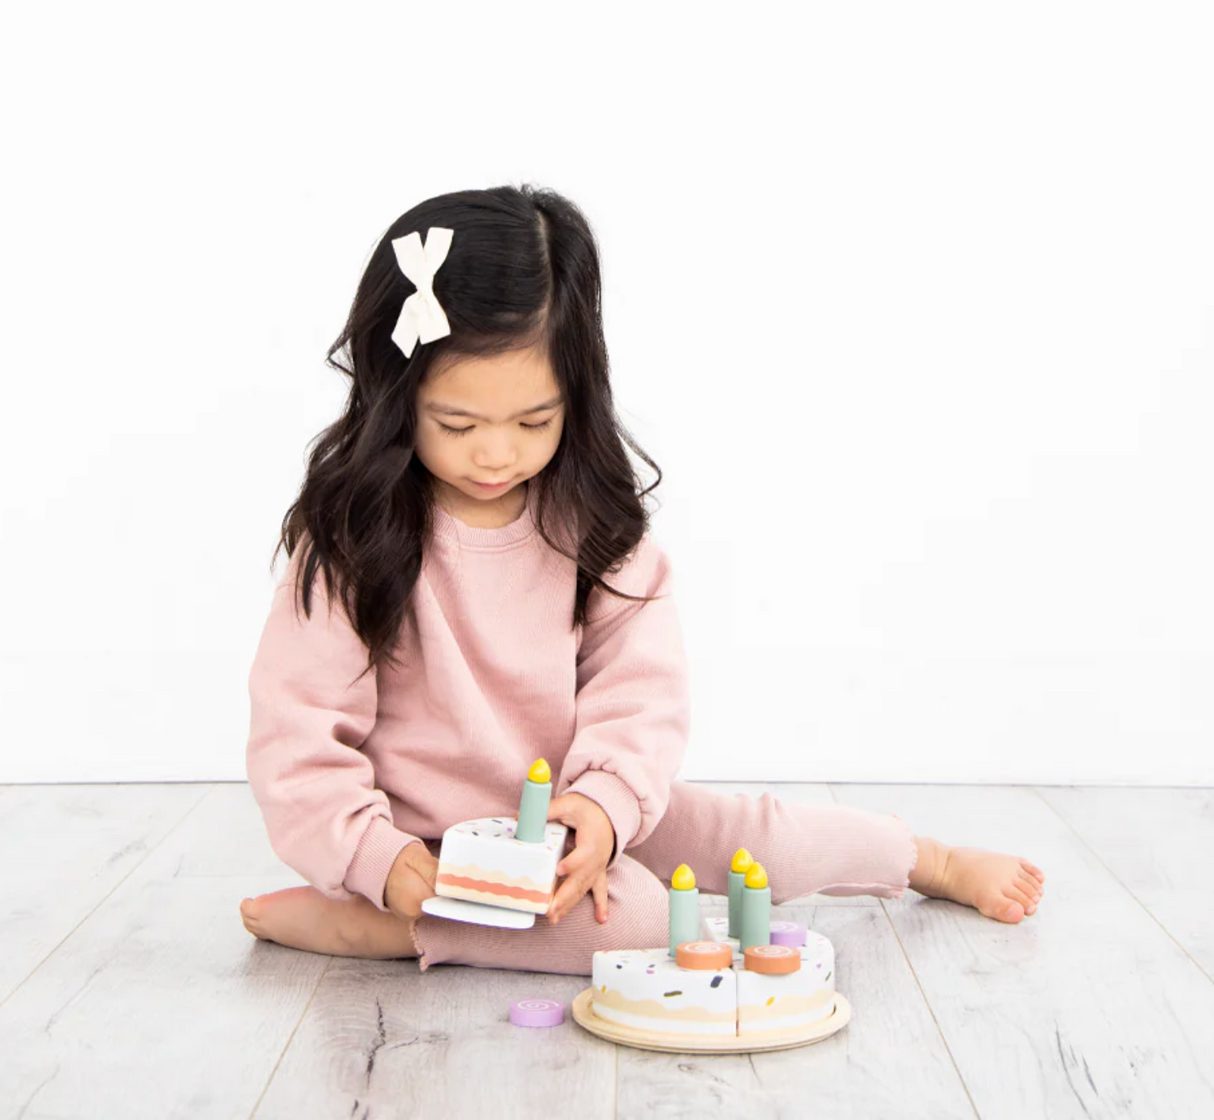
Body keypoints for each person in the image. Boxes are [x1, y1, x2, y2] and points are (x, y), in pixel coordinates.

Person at [239, 184, 1045, 975]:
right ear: (395, 395)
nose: (495, 454)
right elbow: (298, 739)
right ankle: (381, 929)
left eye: (534, 422)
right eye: (457, 424)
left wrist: (603, 807)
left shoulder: (594, 527)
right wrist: (374, 858)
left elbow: (641, 695)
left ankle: (922, 857)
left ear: (577, 395)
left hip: (584, 813)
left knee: (753, 839)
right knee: (645, 925)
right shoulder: (353, 539)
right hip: (427, 850)